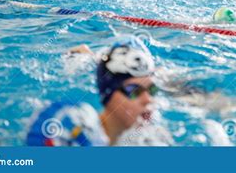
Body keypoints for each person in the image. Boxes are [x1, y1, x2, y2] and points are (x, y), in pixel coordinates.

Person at [27, 35, 157, 146]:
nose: (148, 100)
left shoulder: (152, 139)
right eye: (134, 92)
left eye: (152, 90)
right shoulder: (75, 126)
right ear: (108, 95)